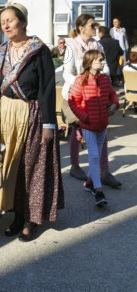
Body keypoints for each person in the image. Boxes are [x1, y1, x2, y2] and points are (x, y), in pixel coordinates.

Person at [0, 2, 64, 242]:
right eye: (3, 22)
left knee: (31, 165)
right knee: (10, 166)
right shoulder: (1, 51)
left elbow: (46, 89)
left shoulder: (38, 49)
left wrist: (48, 124)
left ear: (22, 22)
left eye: (10, 20)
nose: (5, 25)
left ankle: (32, 219)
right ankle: (15, 214)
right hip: (6, 113)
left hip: (32, 113)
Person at [62, 13, 121, 187]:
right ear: (81, 28)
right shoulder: (71, 45)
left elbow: (107, 67)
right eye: (92, 25)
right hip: (76, 94)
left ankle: (105, 172)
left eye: (96, 25)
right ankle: (74, 166)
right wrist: (82, 82)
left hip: (95, 94)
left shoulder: (97, 44)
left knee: (102, 130)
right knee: (77, 130)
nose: (95, 28)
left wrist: (100, 77)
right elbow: (67, 72)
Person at [69, 51, 119, 206]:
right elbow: (73, 102)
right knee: (94, 157)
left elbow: (113, 95)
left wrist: (114, 105)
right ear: (90, 62)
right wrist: (84, 117)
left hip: (102, 124)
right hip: (88, 125)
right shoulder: (80, 81)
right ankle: (98, 190)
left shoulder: (104, 79)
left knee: (95, 156)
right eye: (100, 60)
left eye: (103, 60)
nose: (103, 63)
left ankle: (90, 182)